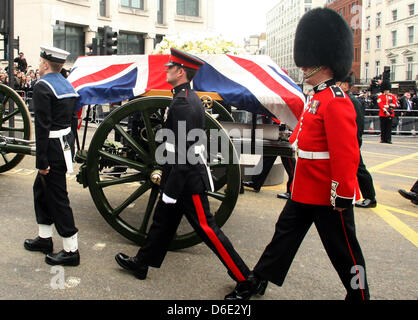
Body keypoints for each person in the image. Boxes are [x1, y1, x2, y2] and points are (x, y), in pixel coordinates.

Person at [226, 8, 370, 300]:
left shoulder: (336, 101)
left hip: (328, 196)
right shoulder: (317, 98)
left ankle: (360, 295)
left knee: (345, 252)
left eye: (308, 66)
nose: (303, 69)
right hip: (304, 189)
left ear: (324, 62)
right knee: (282, 239)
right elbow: (304, 136)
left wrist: (343, 193)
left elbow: (346, 154)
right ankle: (258, 280)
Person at [114, 48, 266, 299]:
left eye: (170, 66)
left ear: (180, 71)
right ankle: (142, 263)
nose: (166, 69)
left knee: (208, 229)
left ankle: (245, 279)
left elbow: (184, 151)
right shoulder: (185, 97)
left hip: (185, 179)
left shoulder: (183, 102)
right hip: (177, 174)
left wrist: (172, 190)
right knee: (162, 222)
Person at [24, 45, 80, 266]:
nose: (38, 66)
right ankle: (45, 238)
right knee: (40, 189)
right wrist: (72, 149)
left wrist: (41, 161)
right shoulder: (66, 84)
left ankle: (71, 250)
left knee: (58, 197)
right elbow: (73, 121)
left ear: (46, 65)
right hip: (64, 144)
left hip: (52, 148)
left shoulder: (43, 87)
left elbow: (42, 126)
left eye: (39, 62)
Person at [337, 73, 377, 208]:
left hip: (351, 142)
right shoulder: (343, 98)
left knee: (360, 169)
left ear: (346, 85)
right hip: (345, 142)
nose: (336, 86)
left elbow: (358, 124)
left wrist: (355, 142)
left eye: (339, 83)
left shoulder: (352, 101)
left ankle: (370, 197)